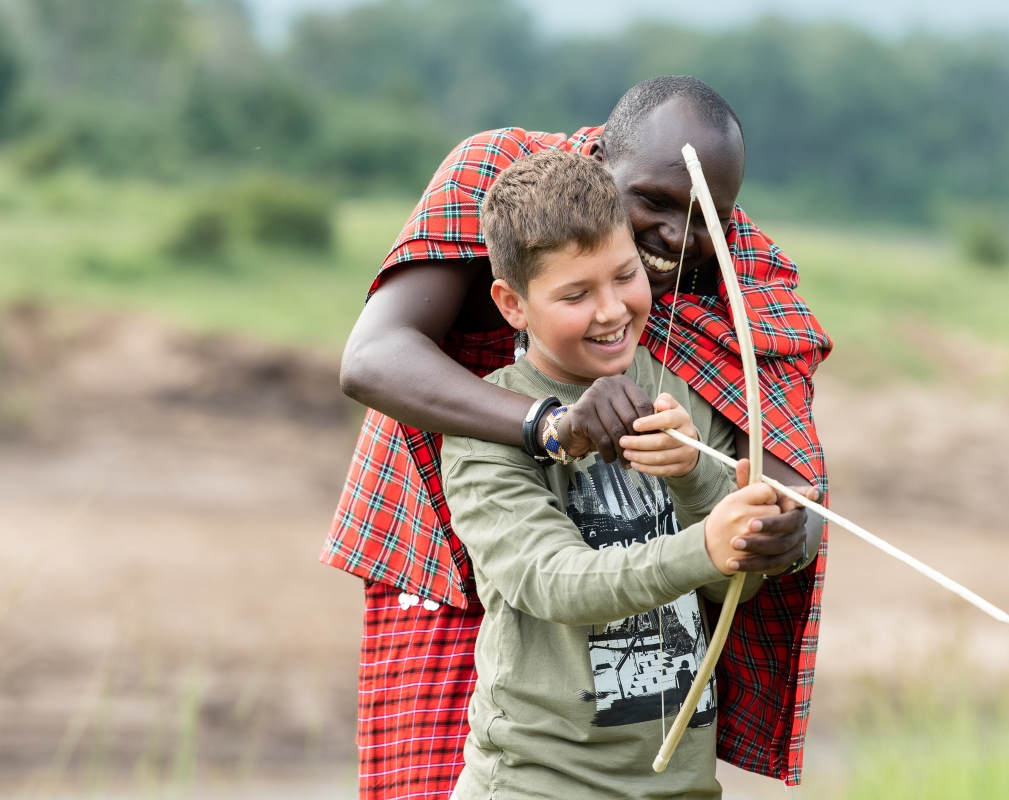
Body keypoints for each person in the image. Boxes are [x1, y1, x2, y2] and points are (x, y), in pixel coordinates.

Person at [323, 76, 832, 799]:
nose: (676, 239)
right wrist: (552, 428)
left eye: (706, 218)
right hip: (450, 540)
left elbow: (783, 491)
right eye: (651, 203)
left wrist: (754, 517)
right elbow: (373, 358)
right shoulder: (498, 183)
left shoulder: (733, 274)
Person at [442, 147, 792, 800]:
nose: (610, 311)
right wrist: (706, 545)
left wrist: (695, 477)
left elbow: (735, 594)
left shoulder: (678, 394)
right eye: (575, 294)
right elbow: (552, 581)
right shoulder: (488, 422)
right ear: (512, 305)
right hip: (536, 787)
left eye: (624, 275)